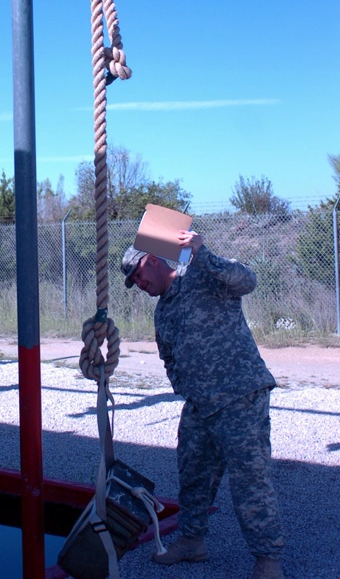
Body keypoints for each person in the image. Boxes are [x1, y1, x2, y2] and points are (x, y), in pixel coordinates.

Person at [121, 232, 285, 579]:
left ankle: (268, 561)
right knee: (193, 477)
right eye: (134, 281)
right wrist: (185, 387)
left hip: (240, 396)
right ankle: (193, 542)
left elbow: (248, 280)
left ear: (152, 259)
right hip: (199, 405)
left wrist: (202, 252)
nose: (139, 284)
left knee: (250, 481)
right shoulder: (163, 311)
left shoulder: (201, 273)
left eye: (138, 274)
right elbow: (169, 359)